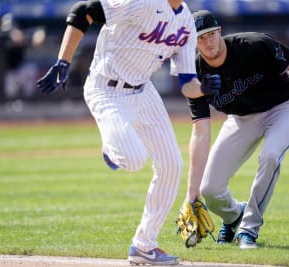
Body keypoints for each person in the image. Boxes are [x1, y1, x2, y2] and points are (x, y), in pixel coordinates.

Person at [37, 1, 219, 265]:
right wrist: (63, 61)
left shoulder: (186, 23)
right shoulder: (142, 3)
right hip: (106, 89)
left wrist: (203, 88)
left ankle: (145, 245)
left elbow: (187, 83)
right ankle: (112, 148)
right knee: (134, 160)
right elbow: (83, 11)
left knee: (171, 165)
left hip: (144, 92)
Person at [183, 10, 289, 249]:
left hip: (282, 108)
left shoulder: (254, 45)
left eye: (212, 34)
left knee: (270, 157)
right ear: (193, 42)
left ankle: (248, 229)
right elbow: (200, 132)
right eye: (201, 37)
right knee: (210, 189)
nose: (208, 42)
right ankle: (235, 215)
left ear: (220, 32)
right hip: (240, 119)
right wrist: (190, 192)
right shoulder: (195, 76)